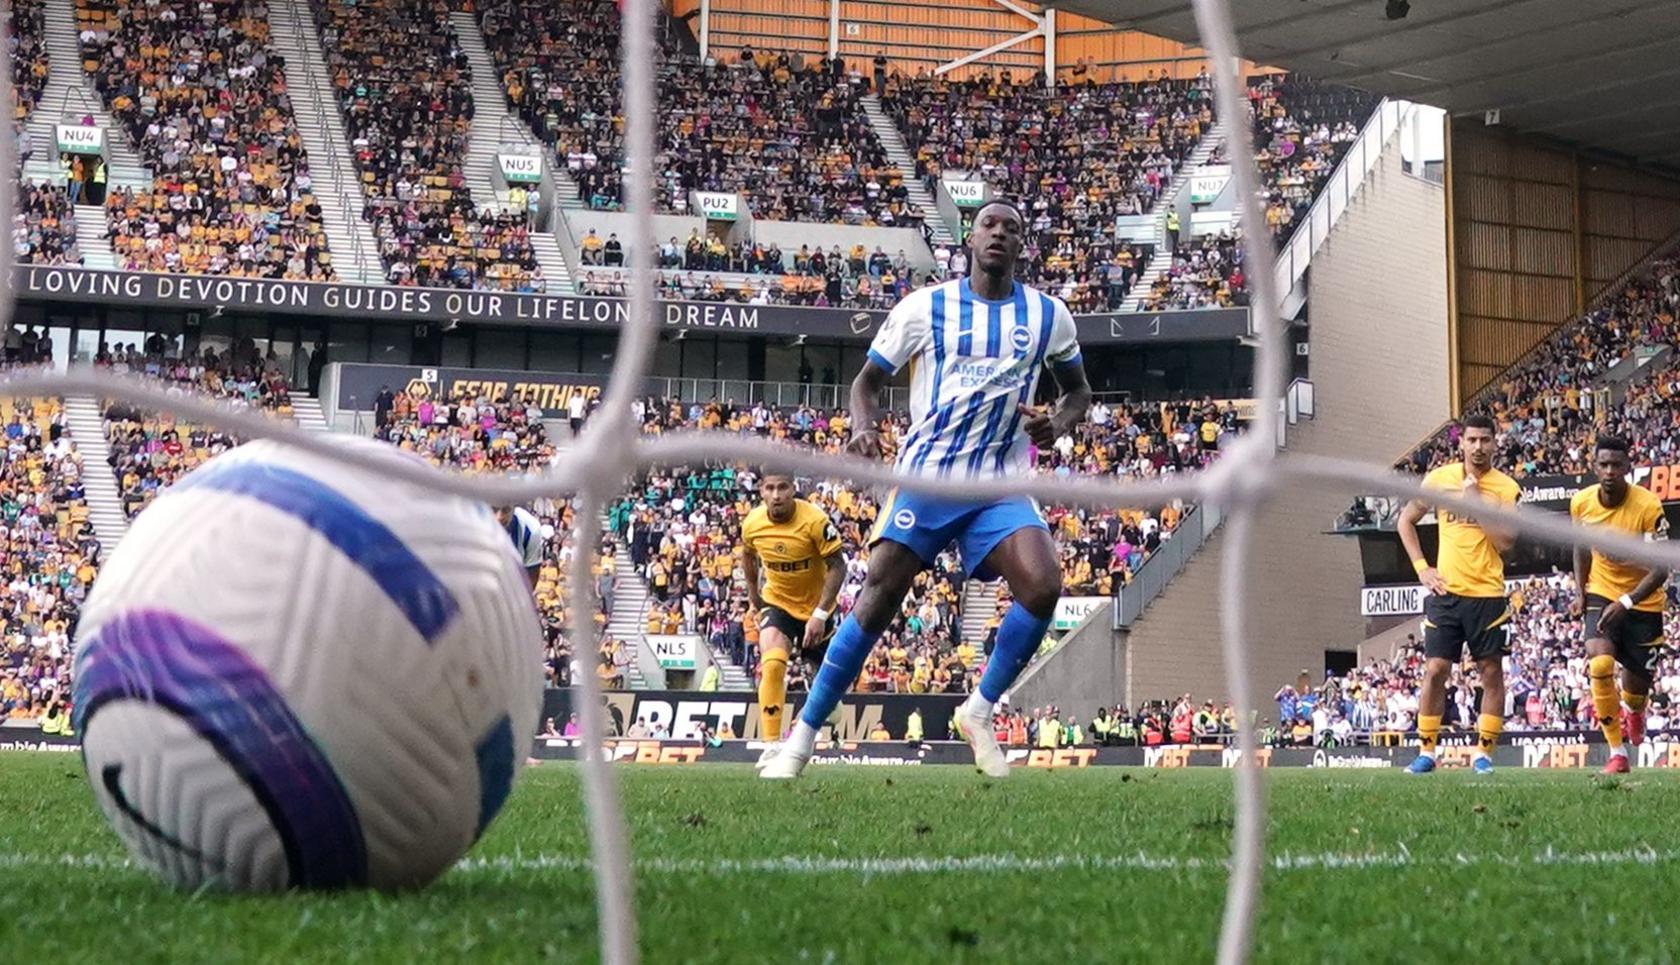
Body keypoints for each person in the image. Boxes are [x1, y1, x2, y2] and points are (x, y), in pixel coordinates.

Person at [761, 200, 1091, 779]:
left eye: (1011, 229)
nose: (999, 235)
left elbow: (1078, 392)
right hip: (926, 478)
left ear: (1021, 245)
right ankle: (802, 739)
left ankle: (979, 710)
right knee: (878, 600)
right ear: (971, 238)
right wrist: (864, 431)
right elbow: (865, 384)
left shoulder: (1048, 316)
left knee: (1043, 587)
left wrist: (1056, 424)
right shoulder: (925, 308)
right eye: (989, 224)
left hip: (998, 483)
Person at [1395, 414, 1520, 775]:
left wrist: (1475, 500)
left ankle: (1483, 755)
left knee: (1491, 671)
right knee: (1435, 669)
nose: (1479, 447)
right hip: (1446, 593)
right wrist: (1422, 568)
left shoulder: (1505, 488)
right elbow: (1405, 520)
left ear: (1495, 443)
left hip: (1488, 594)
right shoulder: (1438, 480)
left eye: (1485, 440)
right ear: (1461, 443)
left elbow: (1506, 543)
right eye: (1472, 441)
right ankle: (1427, 752)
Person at [1569, 436, 1669, 774]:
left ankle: (1635, 712)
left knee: (1635, 691)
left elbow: (1661, 567)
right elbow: (1580, 548)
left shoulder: (1648, 506)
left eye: (1617, 465)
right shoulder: (1581, 503)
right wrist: (1581, 591)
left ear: (1628, 467)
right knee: (1598, 666)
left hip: (1643, 603)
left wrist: (1626, 602)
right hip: (1601, 592)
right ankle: (1617, 753)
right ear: (1595, 467)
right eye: (1604, 464)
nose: (1610, 471)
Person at [741, 470, 845, 764]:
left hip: (817, 610)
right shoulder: (752, 523)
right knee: (772, 664)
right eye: (770, 488)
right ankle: (771, 744)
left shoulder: (815, 520)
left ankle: (829, 703)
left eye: (783, 487)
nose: (776, 495)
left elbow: (838, 566)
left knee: (829, 697)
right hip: (778, 604)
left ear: (793, 489)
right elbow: (748, 556)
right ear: (761, 491)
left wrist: (820, 614)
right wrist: (754, 596)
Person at [497, 505, 545, 583]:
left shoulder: (530, 529)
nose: (499, 517)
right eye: (494, 509)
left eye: (505, 510)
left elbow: (531, 577)